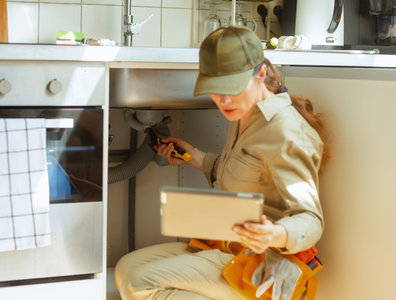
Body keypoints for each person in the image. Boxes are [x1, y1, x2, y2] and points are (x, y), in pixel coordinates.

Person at [115, 26, 330, 300]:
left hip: (263, 264)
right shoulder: (244, 114)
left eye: (232, 88)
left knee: (139, 282)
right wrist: (193, 155)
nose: (224, 100)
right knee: (127, 268)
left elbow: (311, 220)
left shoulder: (286, 133)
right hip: (229, 245)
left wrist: (276, 233)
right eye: (215, 90)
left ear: (261, 74)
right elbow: (245, 173)